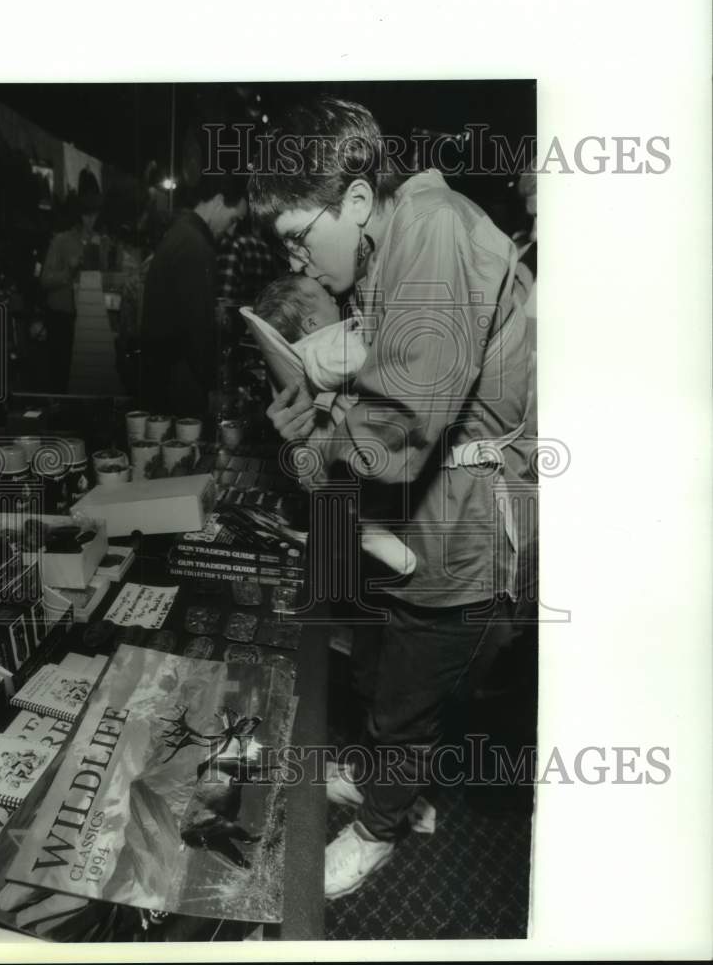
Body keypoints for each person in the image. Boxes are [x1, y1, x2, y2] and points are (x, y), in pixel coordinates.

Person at [248, 97, 536, 900]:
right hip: (422, 512)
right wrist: (304, 424)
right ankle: (391, 785)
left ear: (360, 200)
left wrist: (320, 435)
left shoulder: (432, 225)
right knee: (388, 673)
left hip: (461, 519)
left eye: (302, 238)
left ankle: (383, 825)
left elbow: (403, 420)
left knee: (412, 685)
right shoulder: (391, 246)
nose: (300, 263)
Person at [254, 273, 417, 575]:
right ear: (311, 324)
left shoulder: (322, 338)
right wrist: (377, 351)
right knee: (367, 486)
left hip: (343, 446)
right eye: (323, 296)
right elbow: (331, 368)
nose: (332, 297)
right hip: (345, 442)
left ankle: (374, 531)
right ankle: (373, 532)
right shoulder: (323, 345)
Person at [139, 174, 248, 416]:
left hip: (162, 374)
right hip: (179, 382)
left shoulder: (182, 232)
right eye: (233, 220)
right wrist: (214, 388)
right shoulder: (197, 245)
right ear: (219, 201)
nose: (232, 230)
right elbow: (197, 330)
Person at [39, 191, 101, 391]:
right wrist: (68, 271)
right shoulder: (62, 241)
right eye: (86, 215)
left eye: (94, 215)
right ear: (79, 216)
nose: (91, 220)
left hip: (89, 316)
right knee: (61, 372)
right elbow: (45, 279)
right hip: (62, 316)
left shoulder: (101, 241)